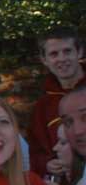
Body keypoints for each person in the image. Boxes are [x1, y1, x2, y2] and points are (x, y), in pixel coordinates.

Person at [26, 28, 83, 177]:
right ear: (44, 60)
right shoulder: (42, 107)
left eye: (67, 51)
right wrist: (47, 164)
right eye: (54, 54)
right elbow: (35, 151)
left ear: (80, 52)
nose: (62, 59)